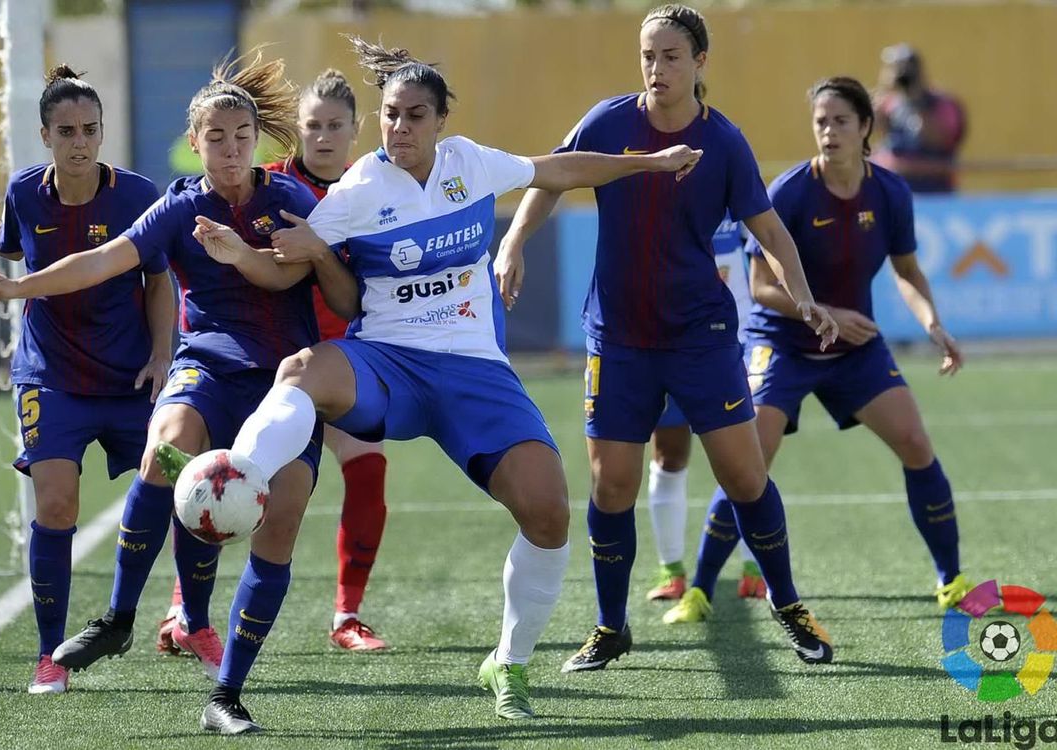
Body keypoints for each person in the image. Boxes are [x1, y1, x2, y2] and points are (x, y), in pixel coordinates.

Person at [141, 35, 703, 732]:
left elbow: (557, 170)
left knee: (550, 511)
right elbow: (310, 282)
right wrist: (259, 254)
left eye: (413, 115)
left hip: (474, 372)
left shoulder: (472, 164)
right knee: (304, 370)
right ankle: (241, 482)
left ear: (441, 121)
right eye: (389, 115)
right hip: (390, 362)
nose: (398, 127)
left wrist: (650, 162)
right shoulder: (356, 192)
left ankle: (508, 659)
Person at [0, 51, 323, 692]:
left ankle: (216, 660)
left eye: (242, 137)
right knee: (167, 453)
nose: (231, 150)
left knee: (275, 519)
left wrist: (261, 256)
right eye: (216, 137)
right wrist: (17, 290)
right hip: (203, 365)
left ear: (257, 140)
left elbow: (305, 276)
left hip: (284, 378)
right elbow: (99, 261)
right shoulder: (178, 207)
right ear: (194, 143)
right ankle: (119, 619)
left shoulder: (291, 198)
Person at [495, 4, 840, 674]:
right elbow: (555, 175)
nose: (657, 68)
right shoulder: (609, 121)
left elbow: (768, 230)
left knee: (744, 474)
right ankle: (610, 626)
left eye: (672, 56)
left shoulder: (726, 143)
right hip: (618, 339)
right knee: (611, 484)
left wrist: (802, 297)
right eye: (648, 55)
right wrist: (513, 243)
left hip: (701, 335)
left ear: (700, 63)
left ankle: (789, 604)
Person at [665, 76, 970, 626]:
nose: (828, 132)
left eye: (841, 121)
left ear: (866, 128)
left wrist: (933, 324)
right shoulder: (790, 192)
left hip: (855, 348)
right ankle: (701, 590)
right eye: (820, 122)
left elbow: (907, 271)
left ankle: (952, 580)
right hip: (782, 343)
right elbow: (760, 287)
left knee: (915, 443)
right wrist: (821, 311)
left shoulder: (891, 193)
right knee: (748, 465)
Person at [0, 66, 175, 694]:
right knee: (57, 503)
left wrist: (163, 355)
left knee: (179, 479)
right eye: (66, 131)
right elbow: (10, 245)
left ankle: (183, 617)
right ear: (45, 136)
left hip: (129, 373)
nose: (80, 141)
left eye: (90, 129)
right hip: (50, 376)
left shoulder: (138, 195)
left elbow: (158, 279)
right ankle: (50, 656)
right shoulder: (26, 192)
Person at [154, 68, 392, 653]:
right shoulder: (271, 188)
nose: (323, 136)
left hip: (347, 357)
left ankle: (347, 616)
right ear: (296, 133)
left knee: (368, 471)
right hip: (274, 364)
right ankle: (185, 605)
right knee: (215, 473)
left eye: (335, 125)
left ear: (356, 131)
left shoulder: (371, 188)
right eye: (312, 125)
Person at [643, 215, 765, 604]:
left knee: (746, 458)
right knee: (670, 453)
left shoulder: (734, 178)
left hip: (736, 343)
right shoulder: (651, 175)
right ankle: (672, 570)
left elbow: (768, 245)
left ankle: (753, 570)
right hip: (670, 341)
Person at [871, 44, 966, 193]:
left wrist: (916, 101)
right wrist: (885, 90)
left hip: (933, 191)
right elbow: (869, 131)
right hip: (895, 191)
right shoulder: (888, 103)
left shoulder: (941, 103)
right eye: (893, 68)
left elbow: (939, 141)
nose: (901, 74)